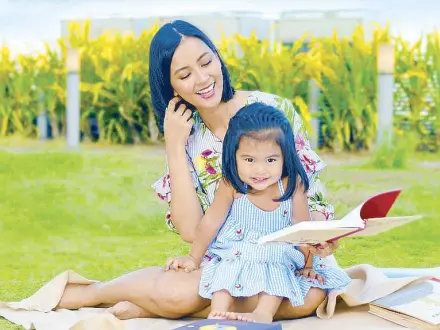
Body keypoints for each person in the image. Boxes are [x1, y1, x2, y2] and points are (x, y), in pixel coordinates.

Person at [56, 19, 440, 321]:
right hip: (223, 260)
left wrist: (321, 239)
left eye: (206, 62)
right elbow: (192, 232)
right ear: (170, 86)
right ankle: (94, 293)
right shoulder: (186, 137)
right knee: (183, 291)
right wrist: (174, 145)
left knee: (306, 299)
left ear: (217, 57)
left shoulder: (274, 110)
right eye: (185, 74)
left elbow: (309, 195)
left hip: (286, 256)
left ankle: (150, 307)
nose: (203, 79)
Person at [165, 102, 351, 323]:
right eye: (249, 160)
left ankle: (263, 313)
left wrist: (308, 265)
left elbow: (303, 230)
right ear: (234, 156)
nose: (260, 170)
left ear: (285, 157)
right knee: (224, 269)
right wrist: (193, 259)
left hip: (277, 249)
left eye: (271, 160)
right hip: (238, 247)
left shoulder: (291, 185)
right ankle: (218, 313)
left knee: (278, 263)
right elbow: (211, 222)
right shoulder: (231, 184)